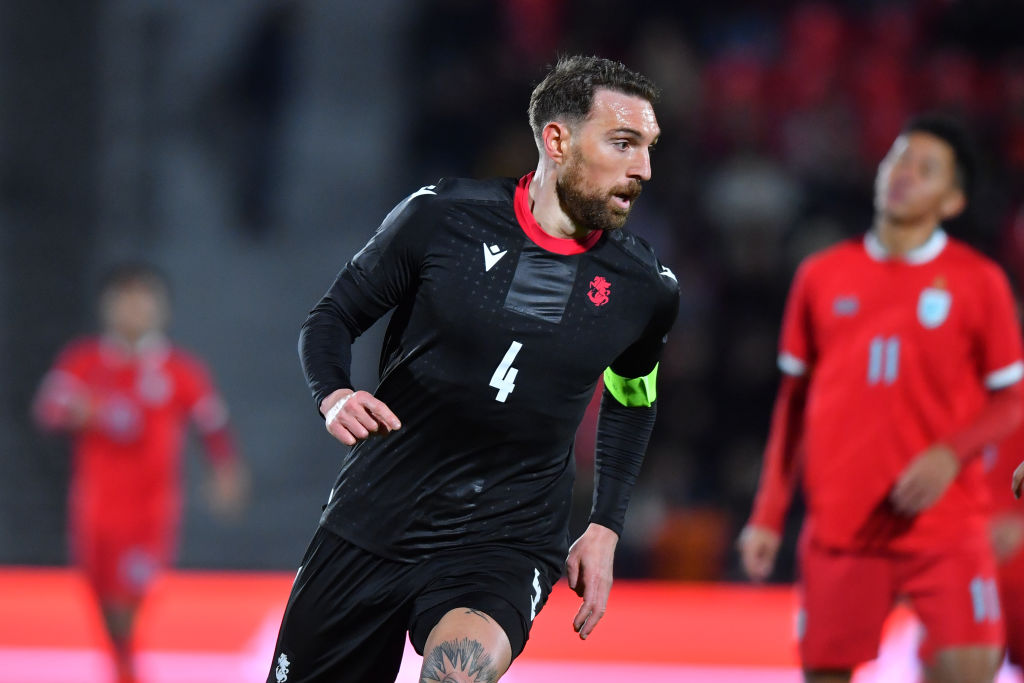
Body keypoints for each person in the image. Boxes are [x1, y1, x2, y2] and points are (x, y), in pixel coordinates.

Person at [267, 55, 678, 683]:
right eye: (623, 143)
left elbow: (632, 395)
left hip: (504, 539)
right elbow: (330, 319)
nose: (643, 168)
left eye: (648, 147)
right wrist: (334, 395)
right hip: (375, 518)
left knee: (457, 674)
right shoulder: (440, 219)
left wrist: (605, 524)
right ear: (557, 139)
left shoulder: (644, 287)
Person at [738, 115, 1024, 683]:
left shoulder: (979, 281)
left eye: (926, 169)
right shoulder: (821, 276)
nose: (904, 175)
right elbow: (793, 407)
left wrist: (949, 453)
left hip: (946, 529)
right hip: (844, 530)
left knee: (970, 665)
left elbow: (1012, 399)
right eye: (899, 160)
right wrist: (768, 515)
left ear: (953, 200)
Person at [34, 262, 247, 683]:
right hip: (93, 508)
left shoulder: (180, 371)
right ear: (106, 306)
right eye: (123, 299)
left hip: (149, 511)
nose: (133, 309)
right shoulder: (84, 361)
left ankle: (126, 668)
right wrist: (90, 411)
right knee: (98, 594)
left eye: (143, 299)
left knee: (127, 601)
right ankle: (122, 660)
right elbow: (49, 407)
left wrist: (225, 471)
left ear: (161, 307)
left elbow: (213, 425)